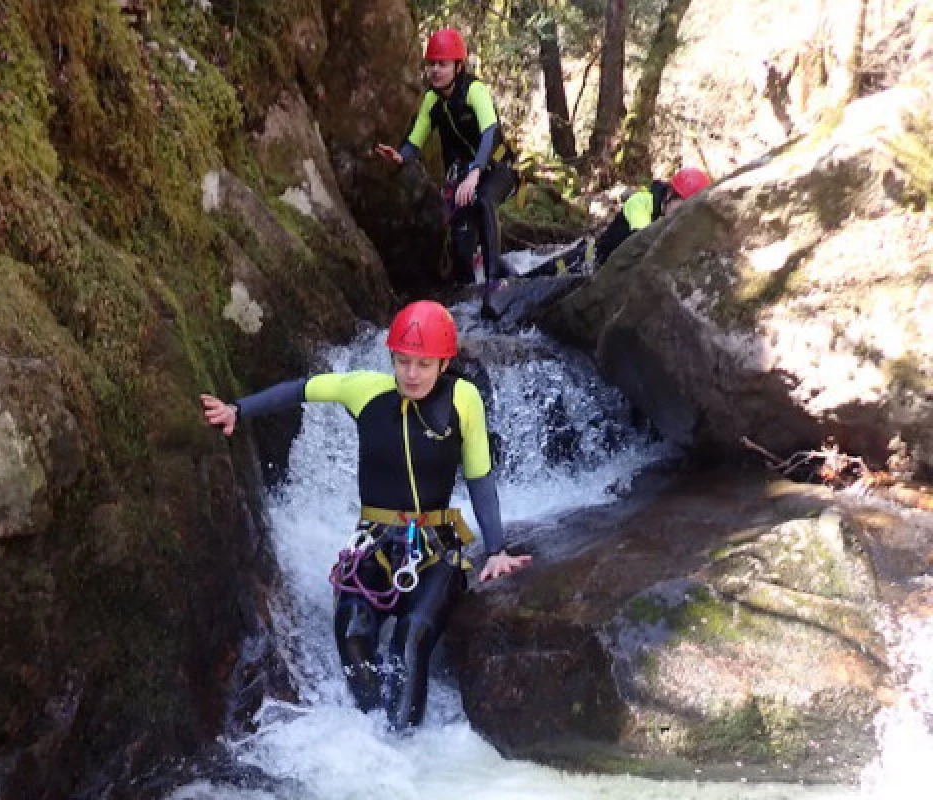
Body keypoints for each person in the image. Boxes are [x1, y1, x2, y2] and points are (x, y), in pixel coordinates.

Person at [200, 300, 531, 730]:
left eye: (423, 364)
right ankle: (375, 736)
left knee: (410, 642)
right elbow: (302, 389)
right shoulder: (365, 390)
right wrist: (237, 410)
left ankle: (405, 745)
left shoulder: (463, 397)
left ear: (444, 362)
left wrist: (497, 549)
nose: (411, 374)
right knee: (352, 633)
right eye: (403, 361)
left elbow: (480, 477)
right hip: (375, 544)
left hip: (436, 551)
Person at [374, 28, 518, 293]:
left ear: (458, 66)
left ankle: (495, 283)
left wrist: (475, 172)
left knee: (484, 201)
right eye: (432, 64)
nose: (435, 70)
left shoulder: (475, 90)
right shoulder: (432, 100)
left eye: (442, 64)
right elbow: (415, 141)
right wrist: (399, 157)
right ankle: (481, 293)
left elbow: (490, 132)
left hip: (498, 169)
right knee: (462, 252)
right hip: (467, 177)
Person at [536, 167, 712, 276]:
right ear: (669, 195)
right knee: (529, 283)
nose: (682, 215)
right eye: (681, 207)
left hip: (604, 272)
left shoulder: (670, 219)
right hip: (586, 262)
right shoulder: (642, 202)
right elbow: (643, 241)